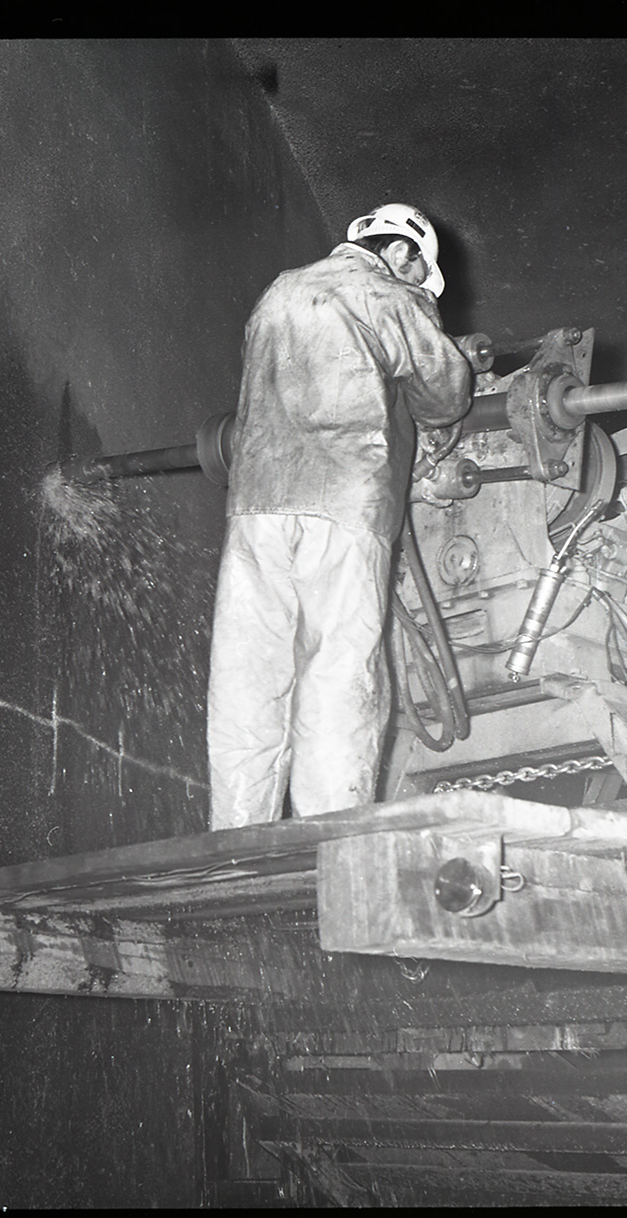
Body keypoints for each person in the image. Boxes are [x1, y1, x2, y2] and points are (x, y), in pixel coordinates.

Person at [207, 203, 475, 830]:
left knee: (248, 677)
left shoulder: (279, 291)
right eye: (417, 271)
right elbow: (445, 394)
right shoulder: (385, 292)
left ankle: (236, 838)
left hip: (255, 510)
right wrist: (425, 322)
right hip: (346, 507)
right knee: (336, 674)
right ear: (405, 253)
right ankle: (330, 841)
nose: (414, 280)